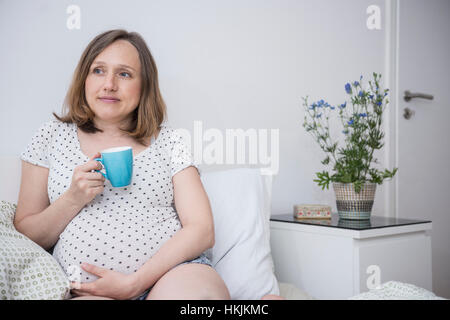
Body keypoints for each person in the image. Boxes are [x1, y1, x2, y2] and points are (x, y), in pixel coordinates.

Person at [13, 29, 230, 300]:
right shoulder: (51, 135)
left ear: (144, 86)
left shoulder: (170, 140)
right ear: (84, 78)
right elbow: (27, 234)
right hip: (89, 292)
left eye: (124, 74)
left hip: (173, 275)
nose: (109, 84)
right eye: (98, 71)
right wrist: (73, 198)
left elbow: (201, 229)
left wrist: (135, 283)